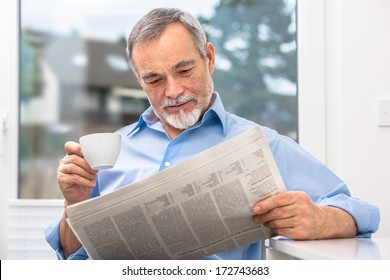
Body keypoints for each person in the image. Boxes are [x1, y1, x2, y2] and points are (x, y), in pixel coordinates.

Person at [45, 8, 380, 260]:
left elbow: (361, 212)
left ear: (208, 58)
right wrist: (73, 205)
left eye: (184, 70)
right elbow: (72, 256)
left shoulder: (261, 143)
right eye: (154, 79)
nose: (173, 91)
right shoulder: (111, 151)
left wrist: (321, 220)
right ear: (140, 82)